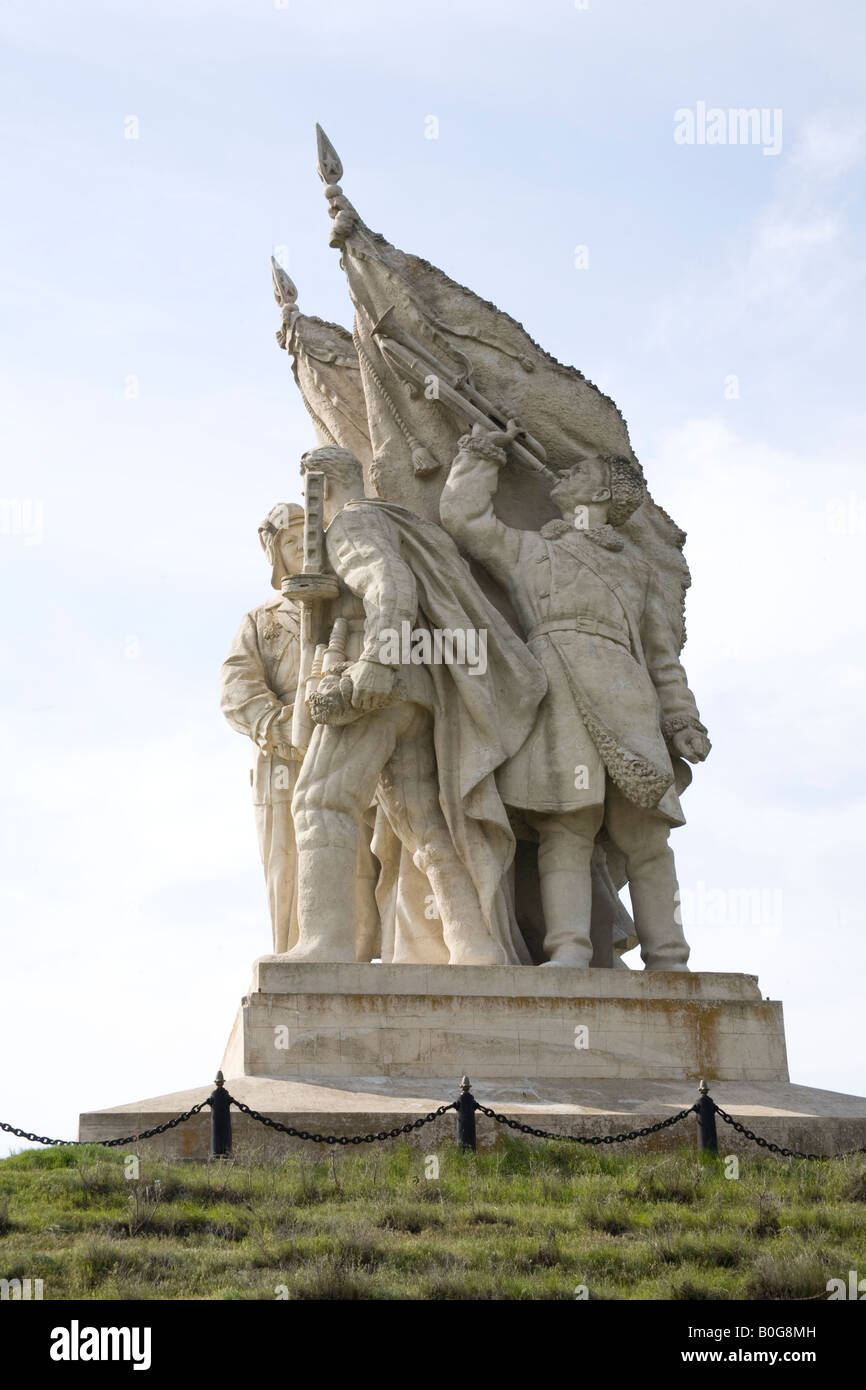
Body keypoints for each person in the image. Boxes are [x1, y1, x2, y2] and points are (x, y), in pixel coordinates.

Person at [439, 422, 711, 970]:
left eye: (580, 470)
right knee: (567, 825)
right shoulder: (530, 548)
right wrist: (483, 452)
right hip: (556, 689)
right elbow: (465, 520)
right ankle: (568, 950)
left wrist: (682, 716)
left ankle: (670, 959)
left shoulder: (638, 570)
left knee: (647, 837)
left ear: (604, 495)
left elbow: (661, 656)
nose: (565, 473)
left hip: (626, 695)